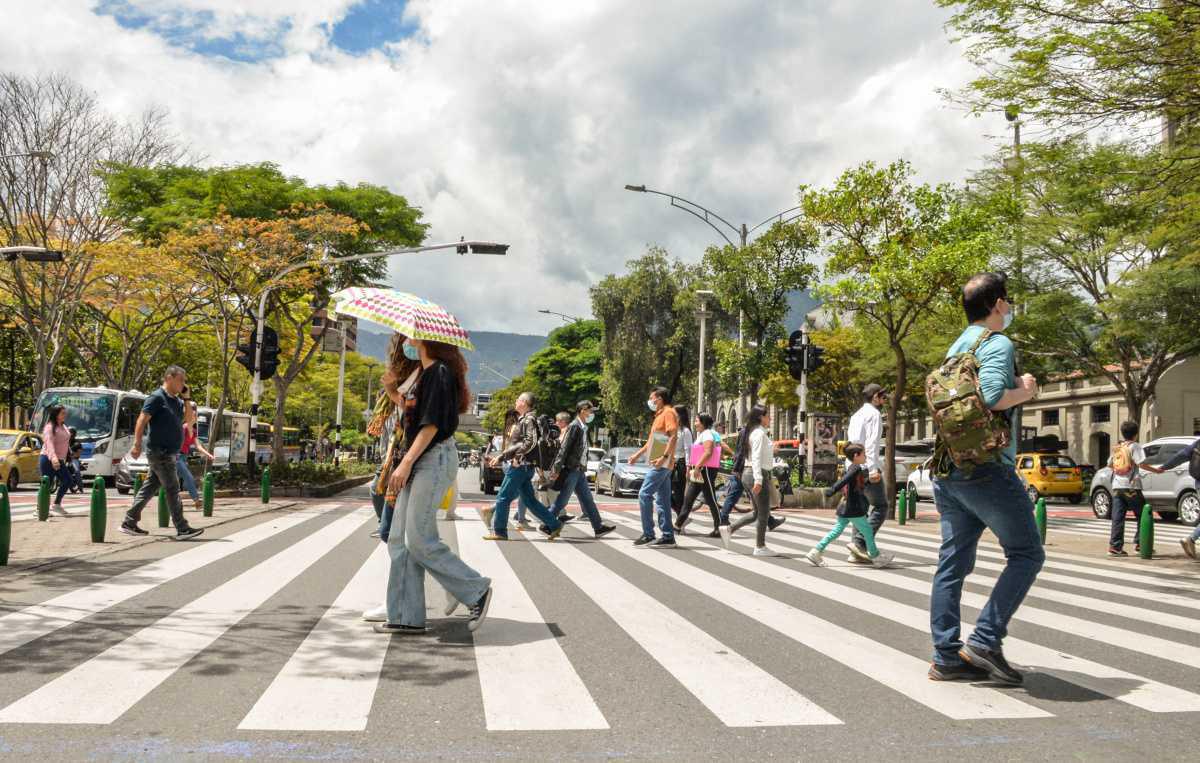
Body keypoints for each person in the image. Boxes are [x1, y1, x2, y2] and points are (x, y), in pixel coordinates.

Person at [929, 272, 1044, 685]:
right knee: (1028, 553)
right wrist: (1027, 390)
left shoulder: (956, 347)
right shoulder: (998, 343)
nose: (1009, 308)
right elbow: (993, 397)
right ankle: (984, 640)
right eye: (1007, 301)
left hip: (950, 469)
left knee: (953, 562)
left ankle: (945, 656)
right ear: (996, 304)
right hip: (988, 469)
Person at [372, 336, 492, 634]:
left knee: (419, 539)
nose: (406, 342)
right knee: (399, 539)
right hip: (420, 459)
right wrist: (392, 391)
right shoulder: (425, 374)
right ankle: (404, 615)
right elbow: (415, 414)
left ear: (426, 340)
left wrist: (407, 462)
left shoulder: (439, 372)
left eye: (411, 336)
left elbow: (432, 424)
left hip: (432, 459)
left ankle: (476, 590)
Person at [121, 366, 204, 540]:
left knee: (150, 487)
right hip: (160, 451)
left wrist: (187, 398)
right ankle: (182, 528)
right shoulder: (157, 397)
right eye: (181, 380)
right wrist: (137, 445)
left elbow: (189, 422)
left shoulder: (177, 401)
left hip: (169, 452)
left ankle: (129, 522)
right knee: (173, 488)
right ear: (169, 378)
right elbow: (142, 420)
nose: (183, 384)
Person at [480, 393, 565, 541]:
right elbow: (520, 444)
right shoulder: (527, 419)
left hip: (520, 466)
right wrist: (501, 457)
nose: (515, 401)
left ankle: (499, 531)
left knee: (503, 497)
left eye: (518, 399)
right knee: (530, 501)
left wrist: (518, 458)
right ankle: (555, 524)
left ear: (524, 403)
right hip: (525, 467)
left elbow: (530, 441)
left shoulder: (528, 419)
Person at [806, 443, 895, 568]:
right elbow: (845, 480)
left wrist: (869, 480)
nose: (866, 456)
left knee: (836, 531)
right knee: (868, 531)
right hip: (853, 507)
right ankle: (876, 556)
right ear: (856, 455)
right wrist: (832, 490)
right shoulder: (856, 468)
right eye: (863, 454)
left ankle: (816, 551)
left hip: (846, 506)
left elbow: (855, 483)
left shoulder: (855, 468)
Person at [548, 400, 616, 538]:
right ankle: (546, 523)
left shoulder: (583, 427)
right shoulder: (575, 427)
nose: (591, 414)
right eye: (590, 410)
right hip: (572, 469)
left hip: (579, 470)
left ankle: (598, 527)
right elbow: (564, 448)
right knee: (563, 500)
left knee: (587, 499)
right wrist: (556, 469)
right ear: (583, 410)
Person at [627, 386, 679, 548]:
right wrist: (637, 455)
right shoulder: (659, 415)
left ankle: (648, 534)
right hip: (659, 461)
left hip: (662, 462)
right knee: (663, 500)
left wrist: (664, 457)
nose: (650, 401)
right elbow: (652, 441)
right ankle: (668, 536)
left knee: (644, 494)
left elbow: (673, 436)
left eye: (652, 398)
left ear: (660, 399)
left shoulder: (669, 413)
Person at [724, 405, 779, 556]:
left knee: (758, 513)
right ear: (761, 417)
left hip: (752, 473)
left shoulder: (756, 433)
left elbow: (759, 455)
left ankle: (729, 529)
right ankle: (760, 547)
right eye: (768, 416)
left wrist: (772, 449)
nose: (770, 418)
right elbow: (756, 458)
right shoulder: (759, 434)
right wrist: (759, 480)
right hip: (757, 473)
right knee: (764, 513)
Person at [1106, 419, 1165, 556]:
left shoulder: (1118, 447)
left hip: (1117, 487)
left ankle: (1115, 547)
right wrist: (1157, 471)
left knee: (1118, 517)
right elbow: (1142, 464)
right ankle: (1140, 544)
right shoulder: (1135, 446)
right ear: (1136, 434)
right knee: (1143, 514)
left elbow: (1109, 464)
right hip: (1131, 486)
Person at [847, 383, 888, 565]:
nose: (884, 399)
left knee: (860, 508)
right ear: (875, 397)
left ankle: (856, 552)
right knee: (881, 506)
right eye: (883, 396)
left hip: (853, 466)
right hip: (866, 467)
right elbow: (871, 444)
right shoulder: (874, 414)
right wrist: (873, 469)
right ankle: (859, 543)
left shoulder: (856, 415)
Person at [674, 412, 726, 537]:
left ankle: (720, 528)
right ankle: (677, 526)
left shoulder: (707, 434)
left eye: (697, 421)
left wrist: (697, 467)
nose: (695, 423)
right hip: (699, 471)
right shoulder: (702, 434)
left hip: (705, 470)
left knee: (711, 499)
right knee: (689, 499)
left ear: (703, 422)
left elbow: (708, 452)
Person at [1157, 435, 1200, 560]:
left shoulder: (1197, 443)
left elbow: (1180, 456)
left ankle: (1191, 539)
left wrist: (1165, 467)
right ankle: (1190, 539)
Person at [178, 396, 216, 512]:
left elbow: (198, 446)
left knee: (171, 482)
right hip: (176, 457)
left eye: (196, 416)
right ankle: (196, 501)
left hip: (184, 458)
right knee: (188, 477)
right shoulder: (183, 428)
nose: (196, 418)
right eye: (194, 416)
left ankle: (174, 504)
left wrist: (208, 454)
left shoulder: (193, 431)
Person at [39, 404, 73, 514]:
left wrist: (68, 454)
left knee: (68, 481)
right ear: (56, 414)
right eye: (62, 413)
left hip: (60, 459)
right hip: (48, 459)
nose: (65, 414)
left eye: (65, 412)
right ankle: (39, 509)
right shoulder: (49, 427)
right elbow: (49, 444)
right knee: (46, 485)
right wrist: (53, 459)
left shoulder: (63, 426)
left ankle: (56, 505)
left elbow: (65, 442)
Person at [670, 404, 693, 513]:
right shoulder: (672, 429)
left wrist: (688, 468)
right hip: (670, 463)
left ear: (680, 415)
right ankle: (682, 517)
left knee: (679, 494)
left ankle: (681, 519)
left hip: (680, 464)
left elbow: (688, 450)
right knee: (664, 492)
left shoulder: (685, 431)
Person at [67, 427, 85, 494]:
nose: (69, 434)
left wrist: (71, 456)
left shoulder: (77, 443)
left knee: (76, 471)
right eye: (68, 433)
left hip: (73, 459)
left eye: (71, 433)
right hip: (64, 459)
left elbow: (78, 454)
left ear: (74, 434)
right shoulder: (64, 442)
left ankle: (80, 487)